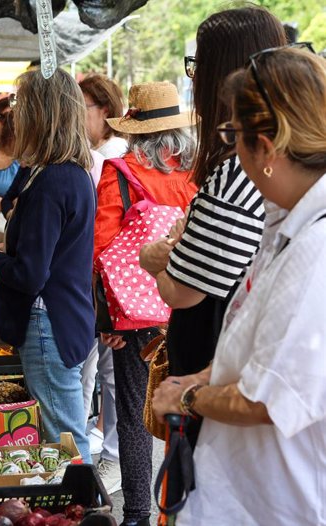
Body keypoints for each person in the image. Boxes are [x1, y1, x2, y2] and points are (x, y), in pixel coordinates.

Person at [152, 45, 326, 526]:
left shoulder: (316, 249)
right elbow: (262, 352)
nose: (231, 149)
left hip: (278, 506)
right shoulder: (288, 225)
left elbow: (265, 398)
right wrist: (203, 378)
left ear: (266, 148)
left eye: (234, 134)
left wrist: (185, 397)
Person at [138, 6, 287, 510]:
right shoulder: (259, 183)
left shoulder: (237, 177)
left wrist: (160, 258)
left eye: (197, 65)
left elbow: (184, 289)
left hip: (217, 398)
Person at [0, 68, 95, 462]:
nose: (13, 114)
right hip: (65, 316)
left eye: (22, 104)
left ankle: (91, 512)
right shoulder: (69, 174)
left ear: (41, 114)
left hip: (47, 322)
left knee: (66, 441)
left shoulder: (53, 182)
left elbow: (30, 274)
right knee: (62, 436)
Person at [94, 82, 198, 526]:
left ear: (135, 131)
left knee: (137, 413)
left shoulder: (118, 172)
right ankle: (187, 510)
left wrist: (109, 317)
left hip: (139, 317)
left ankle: (136, 514)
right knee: (193, 408)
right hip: (194, 310)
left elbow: (101, 250)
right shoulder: (199, 174)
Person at [78, 73, 128, 493]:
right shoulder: (99, 154)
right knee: (94, 371)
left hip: (105, 283)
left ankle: (110, 458)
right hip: (100, 282)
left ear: (105, 112)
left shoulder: (107, 158)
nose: (77, 116)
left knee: (102, 372)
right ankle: (91, 452)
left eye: (83, 108)